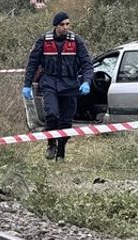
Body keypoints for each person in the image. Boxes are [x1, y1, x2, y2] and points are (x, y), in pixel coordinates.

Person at [22, 11, 92, 160]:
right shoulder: (43, 41)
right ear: (56, 25)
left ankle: (61, 152)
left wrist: (86, 81)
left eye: (67, 24)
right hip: (50, 83)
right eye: (62, 24)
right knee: (52, 114)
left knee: (66, 122)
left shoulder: (76, 41)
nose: (65, 27)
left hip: (70, 85)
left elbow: (87, 63)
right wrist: (27, 85)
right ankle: (51, 143)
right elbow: (32, 64)